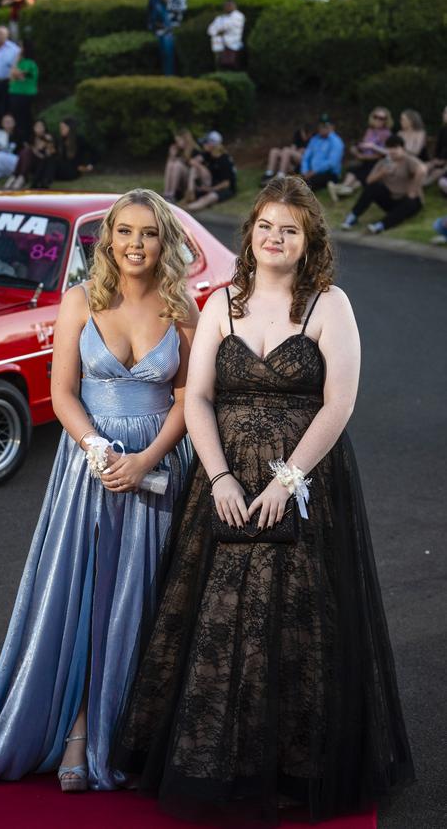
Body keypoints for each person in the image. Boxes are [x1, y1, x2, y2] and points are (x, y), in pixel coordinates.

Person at [111, 175, 415, 825]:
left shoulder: (331, 305)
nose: (275, 237)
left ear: (309, 242)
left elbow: (340, 403)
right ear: (250, 233)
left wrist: (287, 480)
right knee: (218, 620)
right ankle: (221, 764)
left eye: (290, 229)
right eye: (266, 226)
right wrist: (220, 477)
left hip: (305, 491)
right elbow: (196, 397)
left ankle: (291, 770)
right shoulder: (222, 302)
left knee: (299, 621)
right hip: (222, 487)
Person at [0, 188, 197, 791]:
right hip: (90, 470)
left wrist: (148, 458)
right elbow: (63, 393)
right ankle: (77, 730)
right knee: (86, 600)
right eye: (124, 231)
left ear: (165, 241)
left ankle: (134, 733)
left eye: (148, 233)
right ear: (106, 240)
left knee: (146, 602)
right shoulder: (78, 302)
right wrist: (100, 451)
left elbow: (187, 399)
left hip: (157, 471)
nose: (135, 244)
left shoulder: (182, 307)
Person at [341, 134, 426, 233]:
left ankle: (380, 225)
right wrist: (382, 173)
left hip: (408, 199)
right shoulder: (384, 162)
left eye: (395, 147)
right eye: (390, 148)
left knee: (411, 202)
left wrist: (413, 190)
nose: (393, 151)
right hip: (391, 199)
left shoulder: (408, 160)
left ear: (402, 148)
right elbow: (369, 181)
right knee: (373, 187)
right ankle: (353, 217)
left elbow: (422, 170)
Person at [327, 106, 392, 201]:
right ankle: (342, 188)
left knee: (361, 173)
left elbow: (383, 154)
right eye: (376, 117)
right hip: (365, 160)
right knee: (353, 170)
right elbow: (363, 145)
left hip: (376, 162)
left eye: (381, 118)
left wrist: (364, 155)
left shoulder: (386, 134)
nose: (378, 120)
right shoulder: (370, 131)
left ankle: (340, 189)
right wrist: (356, 149)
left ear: (386, 120)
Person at [185, 131, 236, 212]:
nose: (203, 145)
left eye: (206, 143)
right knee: (194, 168)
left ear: (212, 145)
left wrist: (211, 189)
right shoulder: (207, 154)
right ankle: (190, 193)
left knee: (209, 197)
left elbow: (226, 184)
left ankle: (187, 209)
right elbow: (192, 161)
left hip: (224, 189)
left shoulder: (224, 160)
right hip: (210, 184)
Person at [4, 117, 55, 190]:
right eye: (37, 127)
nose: (39, 129)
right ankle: (18, 176)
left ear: (44, 128)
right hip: (30, 162)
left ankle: (19, 176)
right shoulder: (32, 138)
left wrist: (48, 143)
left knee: (26, 151)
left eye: (41, 127)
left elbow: (50, 155)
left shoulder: (48, 138)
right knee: (24, 152)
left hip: (41, 164)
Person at [300, 114, 344, 192]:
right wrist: (305, 171)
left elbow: (332, 163)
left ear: (331, 127)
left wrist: (314, 171)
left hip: (328, 173)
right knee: (296, 177)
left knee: (309, 183)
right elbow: (306, 157)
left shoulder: (336, 141)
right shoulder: (315, 139)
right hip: (311, 171)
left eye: (325, 126)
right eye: (320, 126)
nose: (322, 128)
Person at [8, 40, 39, 144]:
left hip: (25, 96)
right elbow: (11, 76)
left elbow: (18, 75)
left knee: (25, 120)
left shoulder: (30, 63)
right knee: (17, 120)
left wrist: (16, 67)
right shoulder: (20, 62)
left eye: (21, 47)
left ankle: (27, 141)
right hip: (15, 94)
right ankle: (19, 141)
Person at [162, 128, 201, 203]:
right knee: (170, 162)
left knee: (177, 164)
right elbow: (170, 166)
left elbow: (195, 166)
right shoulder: (179, 149)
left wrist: (182, 159)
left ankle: (171, 194)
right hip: (180, 178)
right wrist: (172, 155)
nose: (177, 143)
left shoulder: (195, 150)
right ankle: (166, 192)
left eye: (179, 141)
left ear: (186, 140)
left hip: (190, 180)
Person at [207, 0, 245, 70]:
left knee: (232, 64)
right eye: (226, 6)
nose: (227, 7)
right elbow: (210, 30)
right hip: (219, 45)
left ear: (234, 6)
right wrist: (219, 31)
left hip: (232, 43)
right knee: (219, 62)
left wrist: (219, 30)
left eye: (229, 6)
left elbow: (228, 27)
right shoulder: (220, 18)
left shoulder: (238, 16)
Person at [423, 105, 447, 186]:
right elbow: (438, 148)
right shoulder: (442, 130)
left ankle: (421, 184)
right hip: (439, 160)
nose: (443, 114)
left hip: (444, 164)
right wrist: (436, 160)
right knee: (426, 166)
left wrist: (443, 161)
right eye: (444, 112)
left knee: (437, 172)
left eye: (446, 112)